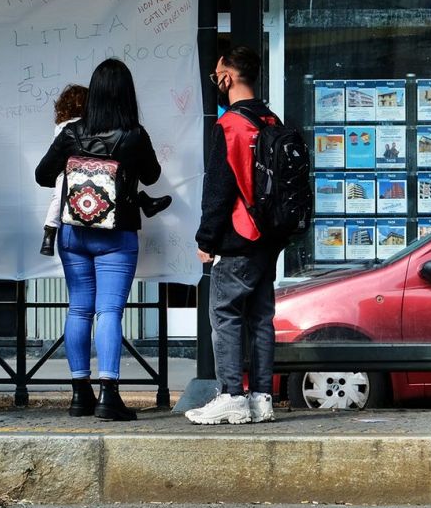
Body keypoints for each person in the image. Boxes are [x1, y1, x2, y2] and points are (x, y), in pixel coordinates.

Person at [35, 59, 162, 421]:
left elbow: (43, 175)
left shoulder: (71, 133)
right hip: (116, 236)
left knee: (78, 309)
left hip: (73, 232)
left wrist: (80, 170)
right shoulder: (134, 135)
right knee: (109, 311)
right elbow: (151, 176)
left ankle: (80, 395)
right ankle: (109, 395)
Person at [186, 45, 281, 426]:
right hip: (268, 237)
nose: (216, 80)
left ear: (227, 75)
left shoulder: (231, 125)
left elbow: (219, 188)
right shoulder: (271, 120)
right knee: (261, 318)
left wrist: (206, 240)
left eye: (216, 73)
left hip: (239, 236)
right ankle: (261, 396)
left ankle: (231, 395)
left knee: (225, 314)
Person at [41, 83, 171, 256]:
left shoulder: (67, 129)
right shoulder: (101, 129)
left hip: (75, 226)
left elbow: (42, 174)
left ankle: (49, 234)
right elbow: (150, 176)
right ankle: (143, 200)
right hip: (113, 226)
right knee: (118, 177)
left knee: (59, 197)